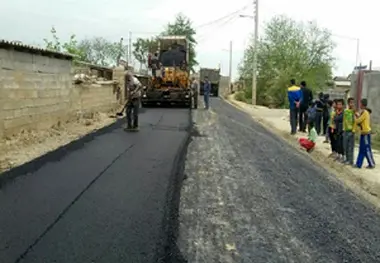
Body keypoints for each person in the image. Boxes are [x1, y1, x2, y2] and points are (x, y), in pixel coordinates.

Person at [354, 98, 375, 169]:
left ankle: (371, 164)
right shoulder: (364, 112)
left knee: (366, 149)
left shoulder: (365, 112)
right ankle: (358, 164)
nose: (359, 105)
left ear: (362, 104)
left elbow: (358, 121)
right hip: (363, 133)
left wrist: (356, 117)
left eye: (360, 103)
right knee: (362, 149)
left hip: (366, 133)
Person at [343, 97, 356, 165]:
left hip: (351, 131)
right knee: (345, 146)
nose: (352, 104)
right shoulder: (345, 111)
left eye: (353, 103)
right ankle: (347, 159)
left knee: (351, 146)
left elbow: (356, 121)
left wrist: (353, 130)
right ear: (348, 103)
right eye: (351, 102)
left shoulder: (355, 112)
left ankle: (351, 161)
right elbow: (344, 120)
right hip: (345, 130)